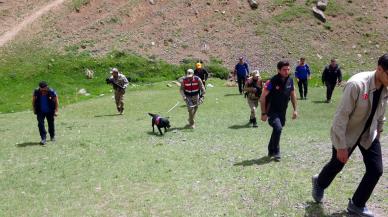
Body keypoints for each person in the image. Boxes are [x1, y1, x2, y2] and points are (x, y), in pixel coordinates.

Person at [312, 54, 388, 217]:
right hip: (348, 132)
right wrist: (341, 146)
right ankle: (319, 182)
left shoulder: (386, 86)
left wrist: (378, 133)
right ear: (379, 69)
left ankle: (357, 204)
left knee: (376, 170)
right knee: (338, 164)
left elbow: (381, 114)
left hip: (369, 132)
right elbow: (341, 117)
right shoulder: (357, 85)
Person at [260, 60, 298, 161]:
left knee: (278, 129)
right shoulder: (272, 81)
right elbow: (262, 97)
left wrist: (295, 110)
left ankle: (270, 148)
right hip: (272, 110)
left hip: (282, 111)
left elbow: (293, 95)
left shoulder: (290, 80)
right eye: (284, 70)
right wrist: (263, 113)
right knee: (278, 128)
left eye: (288, 69)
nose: (287, 71)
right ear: (278, 70)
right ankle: (276, 151)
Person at [32, 81, 59, 145]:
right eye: (42, 90)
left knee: (51, 123)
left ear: (47, 87)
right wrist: (34, 108)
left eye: (45, 89)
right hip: (40, 111)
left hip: (50, 110)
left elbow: (56, 101)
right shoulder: (36, 91)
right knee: (40, 124)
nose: (43, 91)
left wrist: (56, 110)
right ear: (40, 88)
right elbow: (33, 100)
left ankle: (52, 136)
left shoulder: (51, 91)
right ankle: (43, 138)